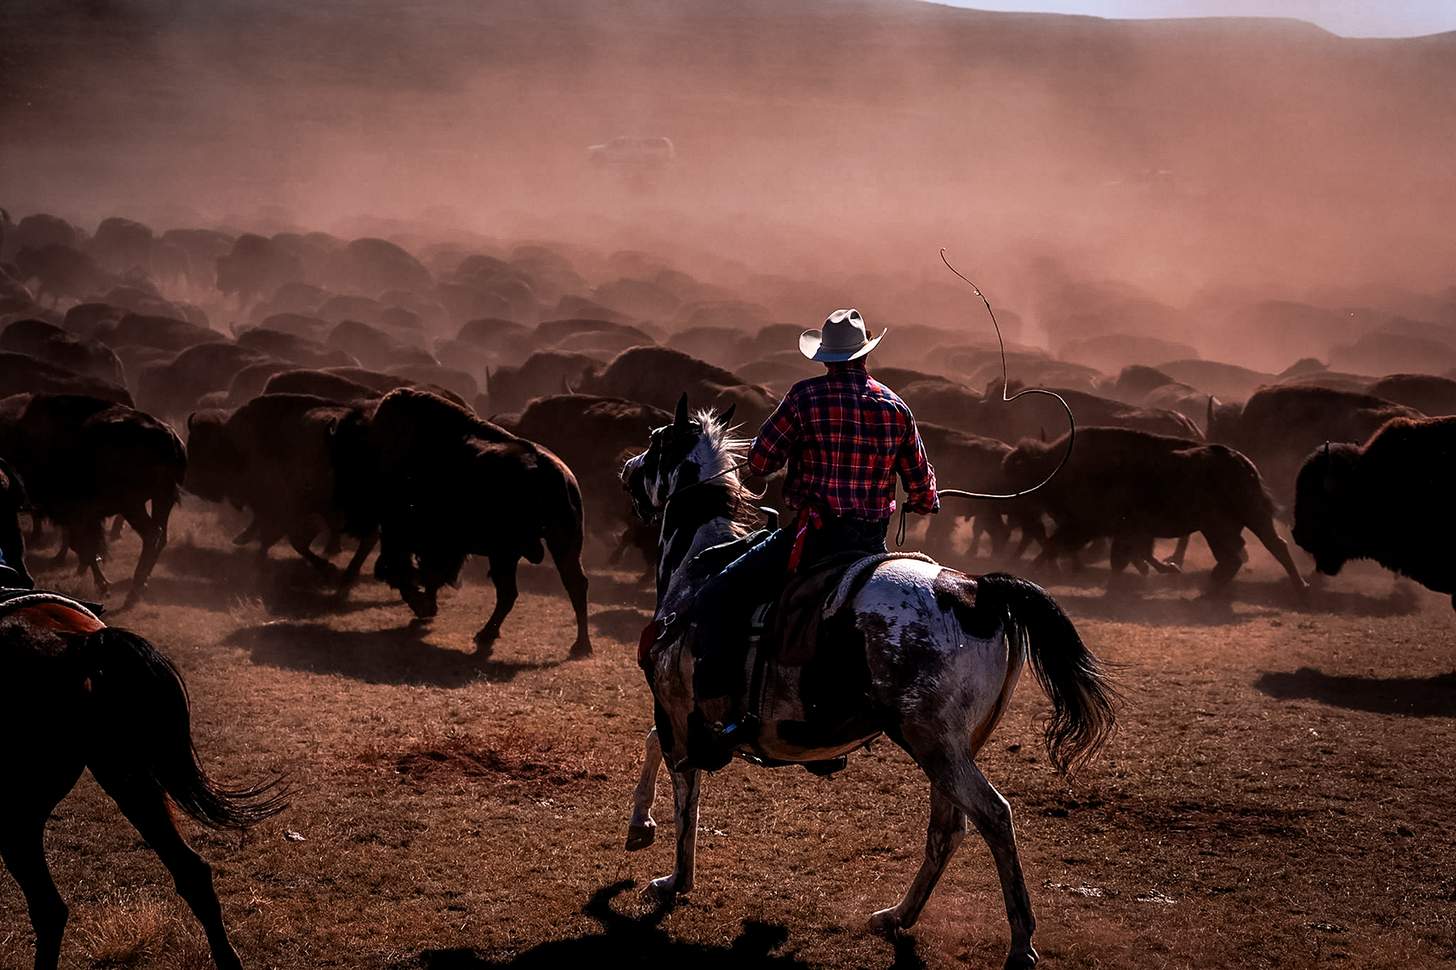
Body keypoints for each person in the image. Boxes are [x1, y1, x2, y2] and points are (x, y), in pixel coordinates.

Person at [687, 308, 939, 766]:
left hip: (815, 541)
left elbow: (761, 462)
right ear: (864, 353)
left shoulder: (805, 398)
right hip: (869, 549)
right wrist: (919, 498)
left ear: (825, 357)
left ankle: (718, 718)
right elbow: (923, 490)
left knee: (719, 595)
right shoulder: (895, 407)